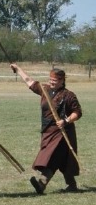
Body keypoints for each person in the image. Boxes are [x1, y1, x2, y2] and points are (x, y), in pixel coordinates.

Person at [10, 63, 82, 194]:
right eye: (50, 79)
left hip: (62, 132)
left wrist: (65, 121)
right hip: (48, 131)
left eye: (54, 80)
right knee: (62, 158)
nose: (51, 82)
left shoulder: (68, 95)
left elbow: (77, 113)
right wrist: (18, 69)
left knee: (53, 156)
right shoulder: (45, 90)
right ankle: (72, 185)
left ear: (62, 80)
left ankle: (42, 183)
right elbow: (29, 81)